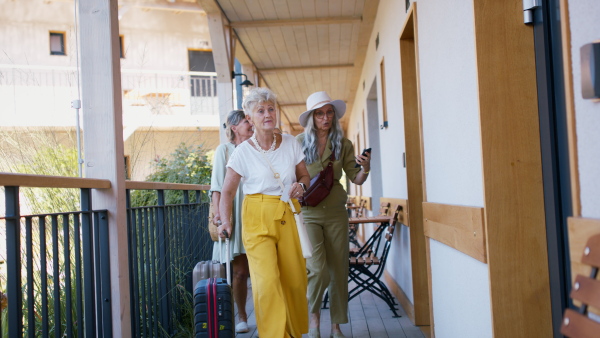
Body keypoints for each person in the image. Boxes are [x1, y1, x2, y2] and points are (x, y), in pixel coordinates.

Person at [217, 87, 311, 337]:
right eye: (261, 110)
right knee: (266, 282)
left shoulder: (291, 142)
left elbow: (304, 176)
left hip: (287, 213)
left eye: (271, 109)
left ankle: (292, 332)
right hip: (256, 216)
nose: (267, 114)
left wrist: (300, 185)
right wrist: (225, 221)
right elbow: (226, 192)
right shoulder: (242, 152)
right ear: (249, 118)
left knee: (294, 280)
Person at [297, 91, 371, 338]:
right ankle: (314, 321)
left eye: (329, 112)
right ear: (312, 118)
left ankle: (336, 326)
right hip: (308, 213)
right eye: (319, 113)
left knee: (339, 269)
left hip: (337, 213)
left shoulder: (344, 144)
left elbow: (356, 179)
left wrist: (366, 168)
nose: (325, 117)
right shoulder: (297, 143)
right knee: (317, 269)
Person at [209, 109, 253, 333]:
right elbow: (217, 187)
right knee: (239, 271)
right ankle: (242, 316)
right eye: (247, 121)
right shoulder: (224, 151)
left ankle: (268, 315)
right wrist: (219, 216)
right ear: (234, 127)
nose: (251, 124)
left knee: (260, 270)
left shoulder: (257, 146)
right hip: (234, 213)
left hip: (255, 212)